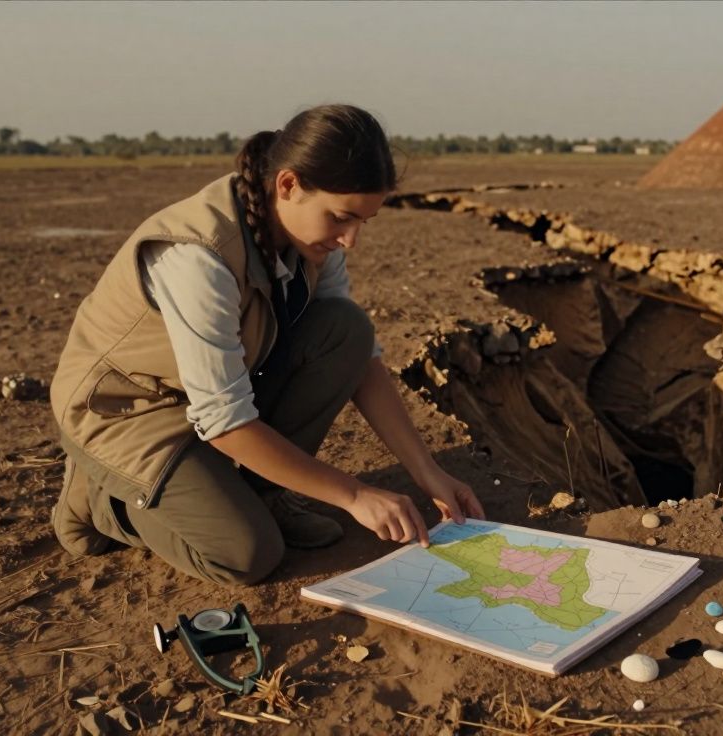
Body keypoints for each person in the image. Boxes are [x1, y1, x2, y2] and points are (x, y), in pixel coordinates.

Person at [48, 104, 484, 585]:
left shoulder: (312, 240)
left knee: (347, 330)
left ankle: (262, 496)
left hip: (202, 399)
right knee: (246, 553)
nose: (351, 239)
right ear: (288, 184)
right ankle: (101, 500)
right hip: (126, 414)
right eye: (341, 218)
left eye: (364, 221)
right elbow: (224, 419)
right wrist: (354, 495)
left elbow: (360, 360)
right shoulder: (198, 255)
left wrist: (428, 472)